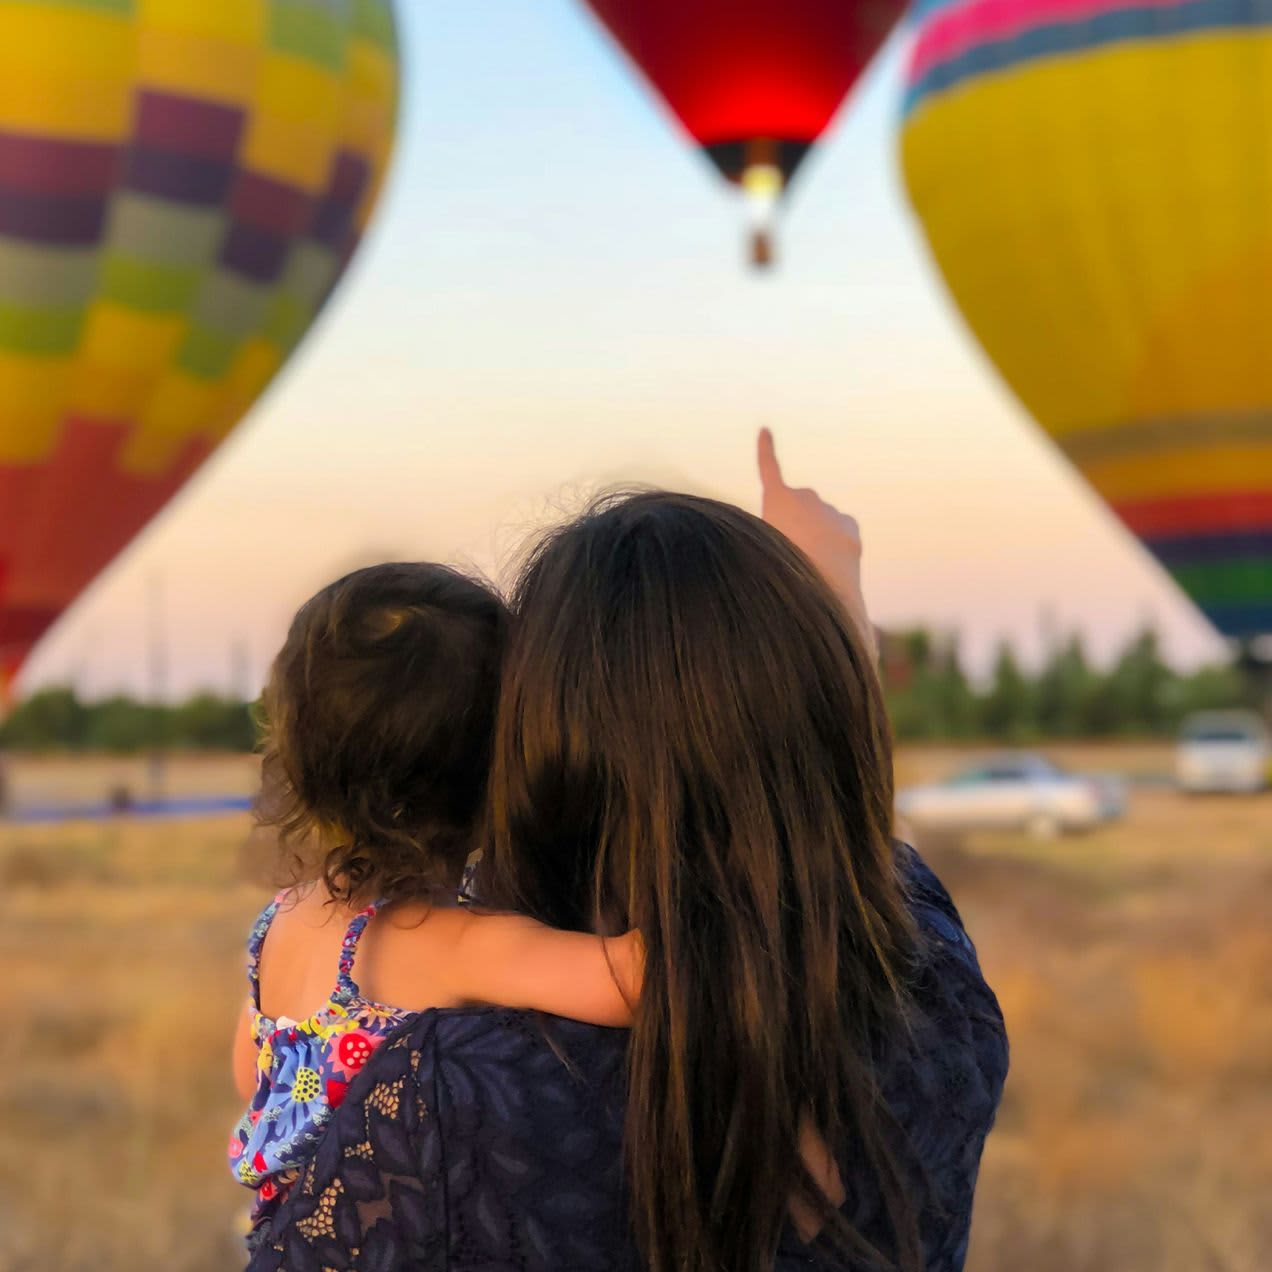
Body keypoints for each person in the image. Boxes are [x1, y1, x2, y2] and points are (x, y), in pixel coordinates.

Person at [247, 433, 1008, 1272]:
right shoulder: (930, 981)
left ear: (546, 767)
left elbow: (260, 1072)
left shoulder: (446, 1098)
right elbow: (821, 847)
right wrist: (817, 602)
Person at [229, 563, 642, 1241]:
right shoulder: (454, 943)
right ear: (507, 759)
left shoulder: (281, 920)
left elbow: (254, 1074)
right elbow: (637, 978)